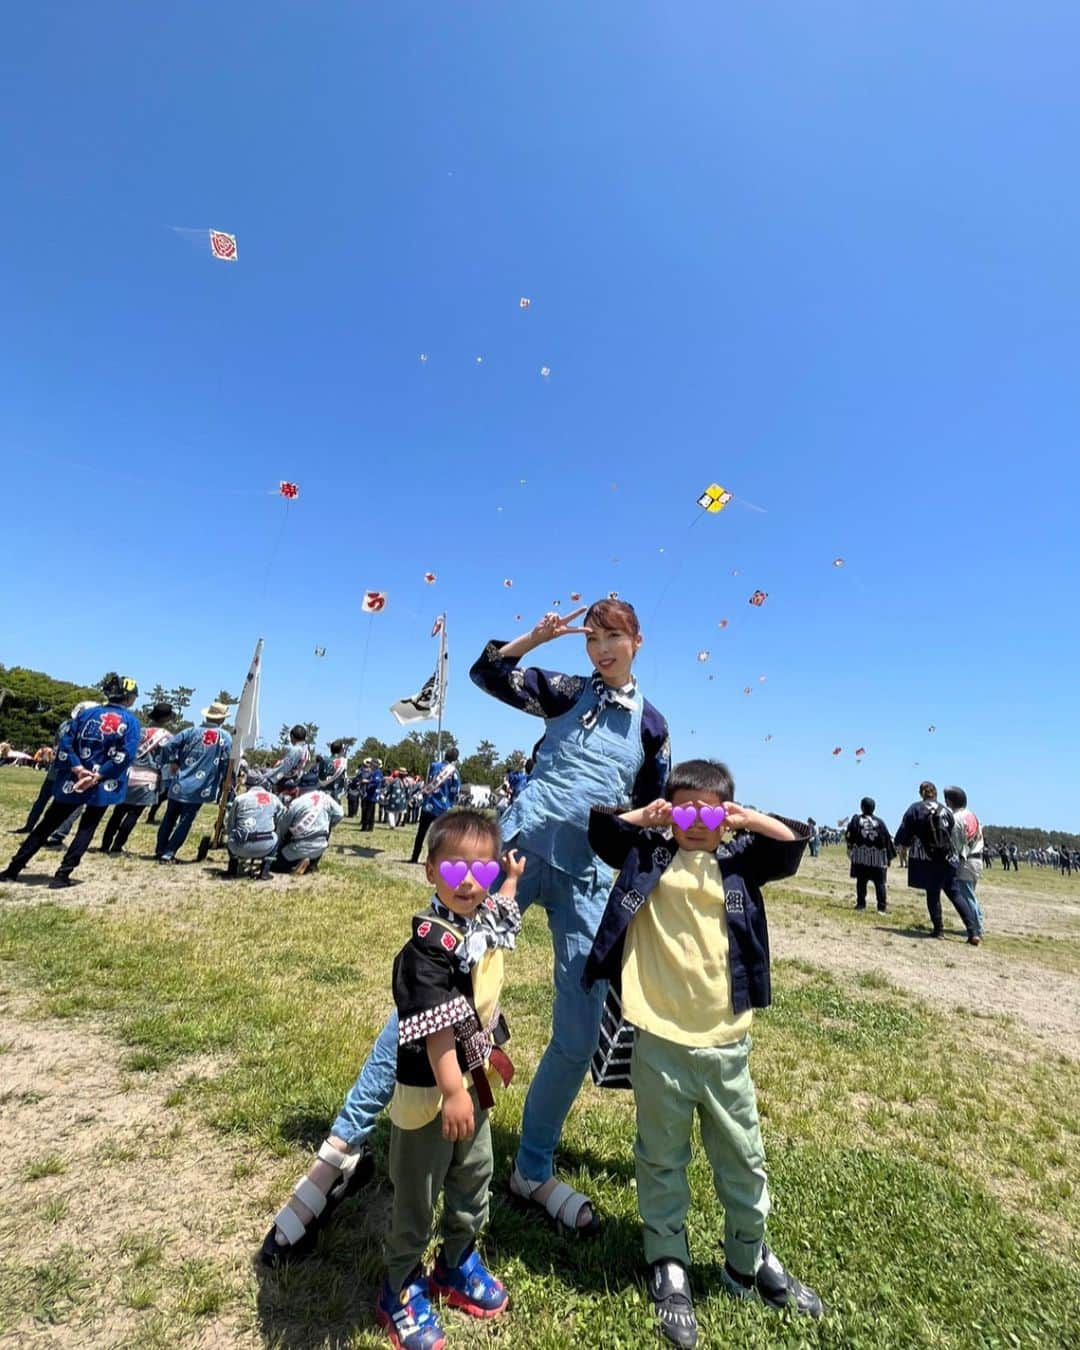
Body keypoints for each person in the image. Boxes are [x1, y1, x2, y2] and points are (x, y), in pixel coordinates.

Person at [262, 599, 669, 1263]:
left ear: (637, 640)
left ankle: (531, 1168)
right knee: (436, 989)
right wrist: (532, 639)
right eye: (591, 638)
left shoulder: (652, 726)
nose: (599, 649)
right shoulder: (566, 689)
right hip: (518, 852)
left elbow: (648, 811)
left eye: (612, 638)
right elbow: (489, 673)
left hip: (591, 876)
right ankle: (342, 1148)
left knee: (580, 1022)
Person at [583, 759, 822, 1345]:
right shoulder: (648, 858)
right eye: (684, 809)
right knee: (660, 1157)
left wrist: (744, 818)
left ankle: (749, 1256)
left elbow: (791, 845)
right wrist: (646, 816)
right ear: (669, 813)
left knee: (743, 1158)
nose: (696, 821)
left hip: (725, 1044)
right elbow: (603, 834)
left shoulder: (740, 865)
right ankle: (668, 1262)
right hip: (658, 1041)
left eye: (709, 811)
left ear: (726, 817)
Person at [375, 811, 524, 1349]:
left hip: (472, 1079)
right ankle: (401, 1284)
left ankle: (457, 1258)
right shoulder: (425, 949)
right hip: (432, 1090)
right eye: (455, 868)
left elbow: (500, 926)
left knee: (475, 1169)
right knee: (419, 1186)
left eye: (481, 872)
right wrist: (454, 1091)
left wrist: (509, 879)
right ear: (430, 871)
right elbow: (437, 1029)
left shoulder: (478, 923)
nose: (469, 882)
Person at [1, 676, 141, 889]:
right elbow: (126, 754)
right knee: (87, 827)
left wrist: (76, 767)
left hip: (74, 777)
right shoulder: (130, 722)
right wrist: (99, 774)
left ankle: (14, 868)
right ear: (129, 699)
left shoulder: (86, 714)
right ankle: (62, 874)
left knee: (48, 822)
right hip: (101, 783)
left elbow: (66, 743)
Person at [894, 782, 980, 944]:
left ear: (922, 794)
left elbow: (903, 834)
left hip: (928, 859)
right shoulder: (946, 811)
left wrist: (902, 844)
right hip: (947, 858)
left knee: (933, 894)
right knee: (955, 894)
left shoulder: (915, 809)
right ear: (935, 794)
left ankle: (938, 929)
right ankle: (973, 931)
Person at [155, 701, 232, 863]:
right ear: (222, 719)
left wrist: (173, 761)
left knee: (169, 817)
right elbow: (227, 762)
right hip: (201, 786)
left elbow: (169, 746)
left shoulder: (190, 731)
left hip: (179, 782)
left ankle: (160, 849)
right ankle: (168, 853)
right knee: (185, 821)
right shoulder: (224, 738)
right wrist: (227, 779)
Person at [12, 701, 97, 836]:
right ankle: (58, 833)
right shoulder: (90, 731)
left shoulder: (65, 725)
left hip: (57, 769)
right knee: (73, 805)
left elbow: (56, 745)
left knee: (43, 800)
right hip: (74, 772)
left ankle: (30, 826)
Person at [100, 702, 174, 855]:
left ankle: (105, 844)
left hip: (129, 774)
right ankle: (117, 845)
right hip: (149, 778)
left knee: (118, 812)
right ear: (167, 718)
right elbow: (167, 761)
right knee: (134, 814)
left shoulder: (139, 731)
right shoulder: (167, 738)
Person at [943, 787, 985, 938]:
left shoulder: (955, 818)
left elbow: (955, 843)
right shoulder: (972, 815)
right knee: (970, 894)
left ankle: (977, 928)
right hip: (977, 859)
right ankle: (978, 922)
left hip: (966, 860)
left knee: (966, 895)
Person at [272, 786, 344, 873]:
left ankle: (298, 863)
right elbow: (340, 814)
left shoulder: (297, 802)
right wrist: (329, 823)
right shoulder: (326, 797)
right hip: (320, 845)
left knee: (275, 864)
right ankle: (312, 864)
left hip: (300, 845)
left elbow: (284, 826)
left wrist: (278, 844)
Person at [408, 748, 461, 863]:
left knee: (421, 833)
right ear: (455, 759)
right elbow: (456, 791)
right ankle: (432, 861)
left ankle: (414, 857)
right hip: (443, 808)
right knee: (438, 836)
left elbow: (427, 783)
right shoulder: (454, 773)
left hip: (428, 805)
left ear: (445, 755)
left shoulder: (433, 766)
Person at [845, 797, 896, 913]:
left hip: (862, 856)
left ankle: (861, 904)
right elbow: (887, 839)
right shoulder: (880, 822)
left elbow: (849, 835)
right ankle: (881, 907)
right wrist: (888, 857)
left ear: (862, 807)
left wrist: (850, 847)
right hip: (877, 859)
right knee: (880, 883)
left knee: (861, 881)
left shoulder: (856, 820)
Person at [225, 783, 284, 880]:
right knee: (275, 835)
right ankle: (265, 871)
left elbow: (230, 824)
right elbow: (282, 817)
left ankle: (232, 868)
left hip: (239, 846)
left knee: (232, 833)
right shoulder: (274, 798)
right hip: (265, 846)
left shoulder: (239, 799)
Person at [361, 758, 384, 833]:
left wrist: (367, 781)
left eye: (371, 764)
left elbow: (376, 782)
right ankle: (367, 826)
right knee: (368, 810)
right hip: (369, 794)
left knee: (369, 811)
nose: (370, 765)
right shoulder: (372, 772)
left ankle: (367, 826)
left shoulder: (378, 772)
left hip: (372, 794)